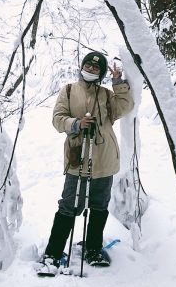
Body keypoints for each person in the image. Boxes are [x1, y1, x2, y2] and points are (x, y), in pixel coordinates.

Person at [38, 50, 134, 273]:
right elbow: (57, 119)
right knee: (69, 205)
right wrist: (76, 124)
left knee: (99, 206)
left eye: (96, 68)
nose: (91, 70)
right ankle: (53, 253)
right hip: (77, 158)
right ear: (82, 67)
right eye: (88, 66)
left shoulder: (107, 94)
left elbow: (125, 107)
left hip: (104, 160)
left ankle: (93, 249)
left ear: (101, 73)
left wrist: (118, 83)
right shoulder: (69, 90)